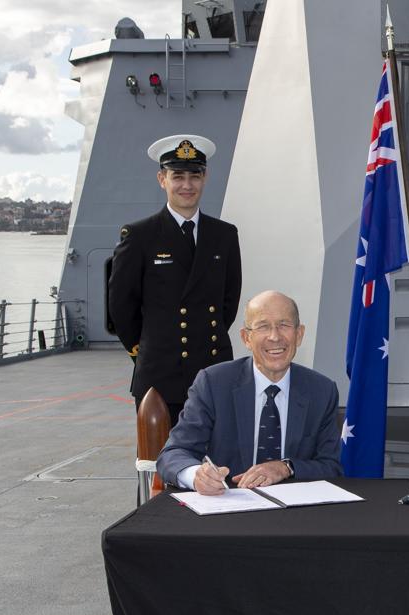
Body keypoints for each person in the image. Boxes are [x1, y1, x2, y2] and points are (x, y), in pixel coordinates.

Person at [107, 134, 242, 425]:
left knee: (217, 463)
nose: (186, 185)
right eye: (177, 176)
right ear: (162, 179)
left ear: (204, 178)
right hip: (160, 374)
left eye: (194, 176)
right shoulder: (140, 236)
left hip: (213, 368)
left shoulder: (224, 235)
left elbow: (228, 303)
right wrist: (149, 349)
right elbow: (121, 306)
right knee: (162, 464)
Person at [156, 291, 342, 495]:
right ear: (246, 337)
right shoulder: (214, 383)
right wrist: (196, 475)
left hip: (295, 514)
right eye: (263, 326)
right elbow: (174, 453)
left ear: (299, 334)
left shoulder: (321, 391)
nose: (275, 336)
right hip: (229, 509)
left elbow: (331, 466)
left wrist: (286, 467)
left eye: (284, 325)